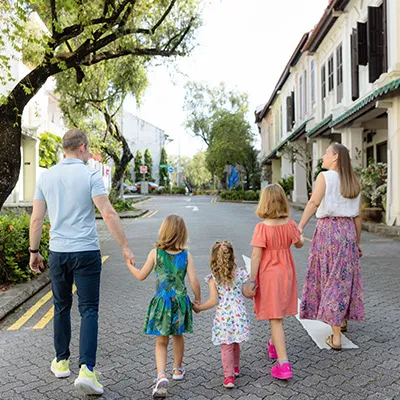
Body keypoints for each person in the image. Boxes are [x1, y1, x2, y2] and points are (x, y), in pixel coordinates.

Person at [29, 129, 136, 396]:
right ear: (82, 148)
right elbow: (108, 214)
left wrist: (34, 251)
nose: (89, 154)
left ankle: (61, 361)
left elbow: (36, 219)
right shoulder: (90, 175)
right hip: (86, 251)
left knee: (60, 306)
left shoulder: (46, 177)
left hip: (58, 252)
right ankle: (87, 370)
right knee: (89, 310)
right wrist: (124, 247)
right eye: (88, 150)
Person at [126, 214, 201, 399]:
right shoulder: (186, 255)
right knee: (178, 335)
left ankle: (161, 374)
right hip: (180, 301)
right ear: (182, 233)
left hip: (162, 301)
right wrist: (197, 300)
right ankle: (177, 368)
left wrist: (129, 266)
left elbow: (141, 275)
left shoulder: (155, 253)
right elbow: (194, 281)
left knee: (161, 341)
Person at [298, 143, 364, 350]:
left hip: (328, 232)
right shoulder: (354, 181)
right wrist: (357, 243)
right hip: (348, 232)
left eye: (326, 153)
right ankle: (342, 320)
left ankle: (335, 337)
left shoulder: (324, 177)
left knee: (330, 278)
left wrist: (299, 226)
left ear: (335, 157)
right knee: (343, 278)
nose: (322, 157)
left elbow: (314, 203)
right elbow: (357, 216)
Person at [250, 184, 304, 380]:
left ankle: (283, 363)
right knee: (278, 311)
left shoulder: (261, 228)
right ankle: (273, 345)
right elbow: (299, 244)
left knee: (275, 317)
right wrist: (297, 234)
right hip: (286, 272)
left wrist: (251, 279)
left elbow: (256, 256)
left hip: (269, 274)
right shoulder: (289, 224)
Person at [193, 241, 255, 389]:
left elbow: (214, 301)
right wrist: (255, 291)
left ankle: (228, 377)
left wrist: (200, 308)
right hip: (239, 315)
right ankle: (235, 368)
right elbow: (247, 293)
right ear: (232, 256)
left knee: (226, 346)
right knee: (235, 343)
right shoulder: (240, 273)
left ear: (214, 258)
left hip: (224, 317)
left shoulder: (214, 278)